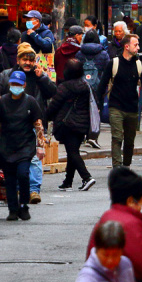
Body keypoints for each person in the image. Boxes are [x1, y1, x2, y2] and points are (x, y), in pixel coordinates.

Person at [0, 43, 56, 203]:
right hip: (10, 125)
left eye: (31, 60)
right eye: (24, 59)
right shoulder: (6, 75)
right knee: (11, 158)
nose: (28, 63)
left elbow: (52, 92)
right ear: (18, 59)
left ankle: (33, 190)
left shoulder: (40, 75)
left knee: (33, 158)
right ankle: (18, 189)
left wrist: (42, 78)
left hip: (32, 124)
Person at [0, 70, 46, 221]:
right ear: (9, 84)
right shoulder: (2, 102)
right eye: (13, 84)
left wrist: (41, 146)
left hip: (25, 146)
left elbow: (38, 125)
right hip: (7, 145)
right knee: (10, 179)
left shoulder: (30, 102)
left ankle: (24, 205)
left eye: (19, 84)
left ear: (24, 85)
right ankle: (13, 209)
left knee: (23, 174)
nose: (16, 86)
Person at [44, 58, 95, 191]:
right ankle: (68, 181)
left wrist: (45, 117)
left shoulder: (64, 87)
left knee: (72, 152)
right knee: (73, 151)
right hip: (82, 123)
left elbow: (54, 105)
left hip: (67, 124)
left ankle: (87, 177)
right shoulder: (85, 86)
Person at [104, 34, 142, 169]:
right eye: (135, 45)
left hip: (132, 108)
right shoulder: (114, 63)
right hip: (116, 106)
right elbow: (103, 84)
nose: (138, 48)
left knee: (129, 141)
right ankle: (117, 167)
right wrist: (98, 104)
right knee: (117, 138)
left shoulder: (139, 64)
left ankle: (126, 165)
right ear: (126, 46)